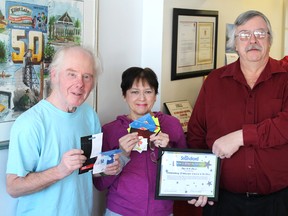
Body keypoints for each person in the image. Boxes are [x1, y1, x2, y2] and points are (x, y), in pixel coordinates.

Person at [186, 10, 288, 216]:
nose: (252, 40)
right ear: (235, 42)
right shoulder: (214, 81)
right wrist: (196, 181)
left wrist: (240, 137)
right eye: (244, 35)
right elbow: (196, 134)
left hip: (278, 202)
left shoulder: (286, 78)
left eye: (260, 33)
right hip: (223, 202)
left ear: (270, 40)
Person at [6, 46, 121, 216]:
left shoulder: (90, 115)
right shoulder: (30, 123)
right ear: (54, 75)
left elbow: (90, 168)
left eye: (87, 76)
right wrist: (59, 171)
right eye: (71, 74)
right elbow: (13, 187)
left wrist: (106, 167)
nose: (80, 84)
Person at [94, 67, 187, 216]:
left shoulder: (172, 125)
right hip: (120, 211)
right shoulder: (110, 131)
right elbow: (99, 183)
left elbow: (185, 171)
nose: (142, 98)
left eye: (148, 92)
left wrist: (168, 150)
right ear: (124, 95)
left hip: (162, 211)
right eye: (134, 92)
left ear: (155, 95)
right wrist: (122, 154)